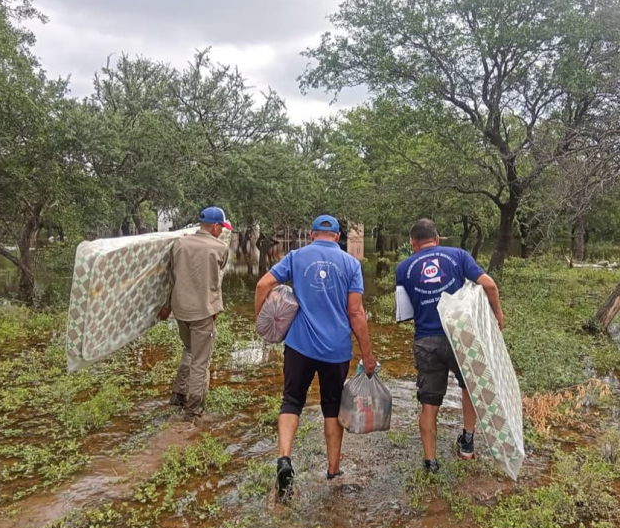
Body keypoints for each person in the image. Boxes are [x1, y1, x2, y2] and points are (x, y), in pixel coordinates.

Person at [254, 215, 377, 498]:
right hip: (336, 350)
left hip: (299, 346)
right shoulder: (351, 263)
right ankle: (333, 470)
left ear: (311, 235)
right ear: (336, 237)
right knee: (332, 407)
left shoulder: (296, 256)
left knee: (291, 401)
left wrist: (262, 323)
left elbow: (263, 285)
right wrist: (367, 355)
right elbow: (356, 312)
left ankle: (284, 458)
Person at [395, 218, 505, 474]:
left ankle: (430, 462)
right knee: (469, 386)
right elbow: (488, 284)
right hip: (460, 336)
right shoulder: (458, 255)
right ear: (437, 238)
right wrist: (497, 312)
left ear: (413, 243)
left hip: (426, 340)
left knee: (429, 403)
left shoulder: (403, 268)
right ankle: (467, 441)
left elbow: (404, 313)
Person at [163, 207, 232, 424]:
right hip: (203, 311)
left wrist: (166, 306)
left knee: (189, 349)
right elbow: (215, 277)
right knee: (201, 362)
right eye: (221, 227)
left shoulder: (179, 244)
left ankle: (178, 394)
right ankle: (193, 411)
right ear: (214, 226)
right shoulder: (220, 248)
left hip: (180, 309)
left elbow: (172, 277)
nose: (222, 231)